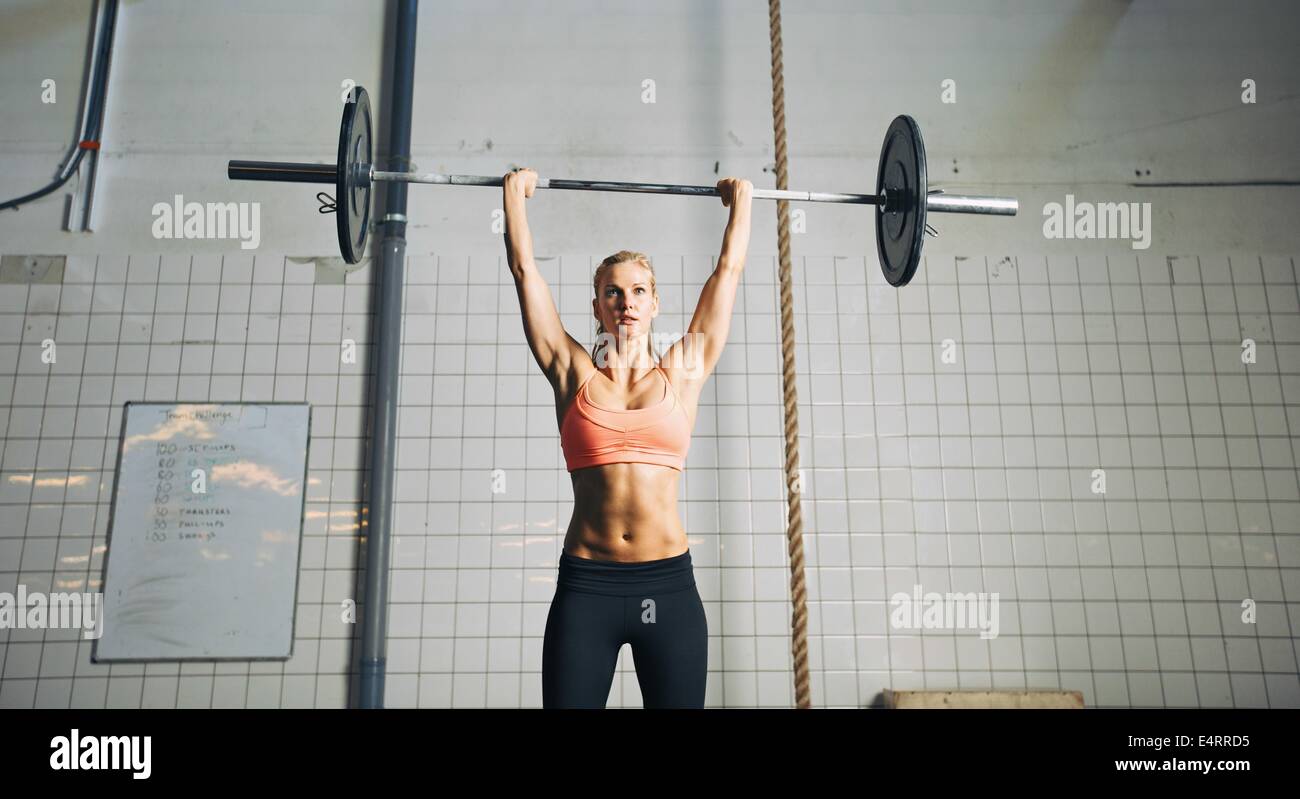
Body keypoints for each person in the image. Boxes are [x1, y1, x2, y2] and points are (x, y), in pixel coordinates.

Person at [501, 166, 752, 708]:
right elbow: (525, 272)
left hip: (668, 588)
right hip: (587, 586)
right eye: (612, 293)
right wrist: (515, 198)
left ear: (655, 303)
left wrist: (742, 203)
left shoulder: (682, 370)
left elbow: (727, 273)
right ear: (596, 307)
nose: (626, 302)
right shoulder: (571, 373)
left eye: (639, 291)